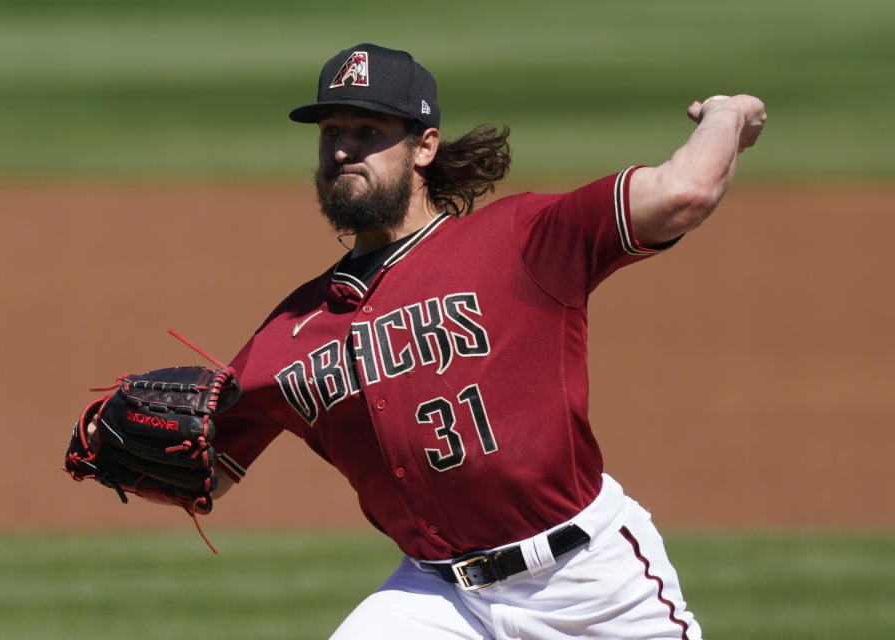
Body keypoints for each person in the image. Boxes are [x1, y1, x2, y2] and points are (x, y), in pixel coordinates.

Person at [210, 43, 766, 639]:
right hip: (436, 595)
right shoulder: (291, 329)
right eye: (331, 132)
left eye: (368, 130)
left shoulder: (521, 241)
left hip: (587, 583)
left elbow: (685, 193)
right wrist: (105, 449)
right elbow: (202, 467)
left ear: (425, 146)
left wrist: (726, 115)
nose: (342, 149)